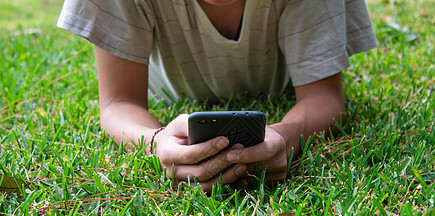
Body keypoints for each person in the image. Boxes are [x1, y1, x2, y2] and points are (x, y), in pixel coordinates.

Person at [57, 0, 377, 191]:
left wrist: (285, 136)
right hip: (168, 91)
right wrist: (156, 142)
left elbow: (324, 97)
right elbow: (118, 102)